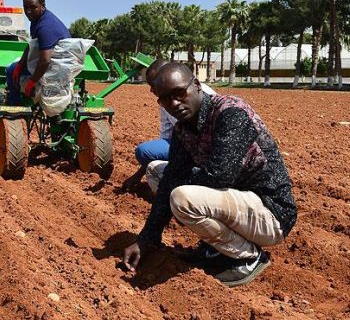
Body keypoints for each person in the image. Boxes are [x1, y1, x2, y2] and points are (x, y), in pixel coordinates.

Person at [122, 63, 297, 287]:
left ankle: (248, 257)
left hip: (270, 214)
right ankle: (214, 248)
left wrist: (176, 184)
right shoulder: (183, 128)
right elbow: (173, 175)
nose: (174, 104)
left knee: (181, 197)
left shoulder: (230, 112)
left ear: (196, 85)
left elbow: (219, 176)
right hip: (240, 207)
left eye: (179, 93)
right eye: (166, 99)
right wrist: (147, 237)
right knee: (158, 173)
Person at [134, 59, 216, 193]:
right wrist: (138, 174)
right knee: (144, 152)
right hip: (186, 144)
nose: (151, 89)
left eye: (153, 83)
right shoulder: (165, 101)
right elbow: (168, 137)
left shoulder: (204, 95)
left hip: (208, 148)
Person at [5, 0, 71, 105]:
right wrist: (20, 65)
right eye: (26, 7)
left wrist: (32, 82)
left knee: (10, 70)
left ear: (42, 6)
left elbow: (45, 61)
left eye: (33, 7)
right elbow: (31, 45)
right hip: (55, 61)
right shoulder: (36, 20)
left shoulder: (45, 27)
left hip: (55, 66)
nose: (28, 11)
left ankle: (15, 105)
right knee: (15, 68)